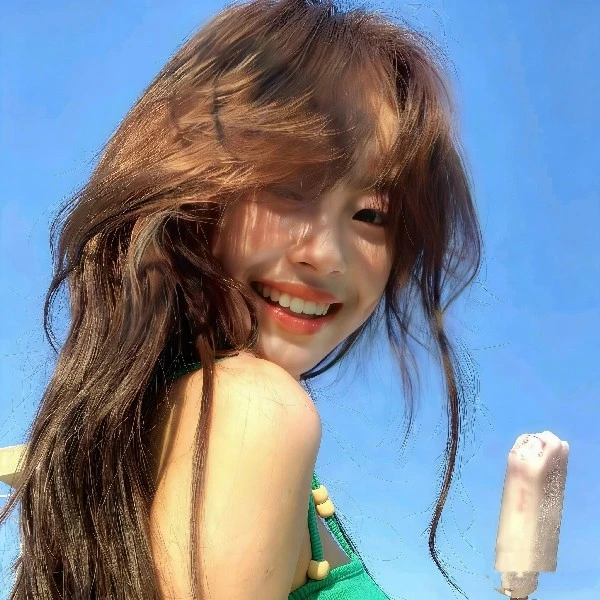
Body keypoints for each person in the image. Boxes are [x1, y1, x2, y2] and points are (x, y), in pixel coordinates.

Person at [0, 0, 483, 598]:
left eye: (371, 214)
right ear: (195, 190)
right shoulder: (254, 410)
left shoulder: (151, 427)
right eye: (288, 188)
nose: (326, 254)